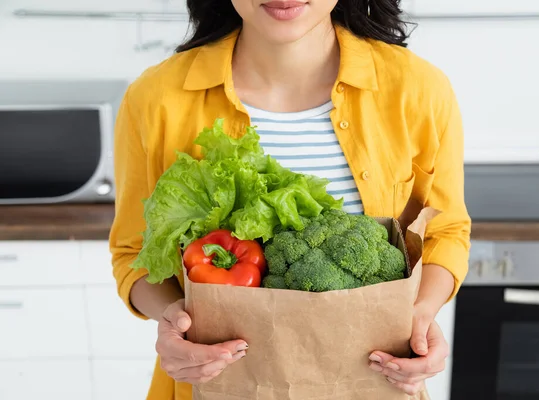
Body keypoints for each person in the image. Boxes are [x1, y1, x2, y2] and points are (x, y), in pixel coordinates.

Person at [109, 0, 471, 399]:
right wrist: (172, 319)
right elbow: (133, 253)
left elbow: (446, 232)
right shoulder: (155, 98)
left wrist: (418, 318)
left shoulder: (418, 88)